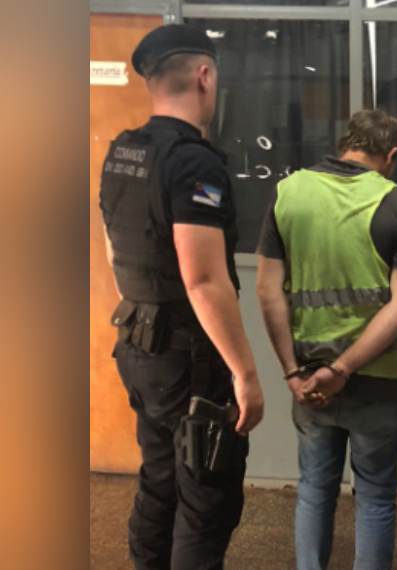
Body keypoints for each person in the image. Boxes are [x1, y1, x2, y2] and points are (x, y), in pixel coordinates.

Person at [100, 25, 265, 570]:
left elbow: (114, 249)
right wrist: (245, 374)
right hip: (187, 360)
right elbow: (204, 281)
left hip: (137, 345)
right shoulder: (194, 162)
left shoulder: (123, 151)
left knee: (160, 479)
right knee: (205, 499)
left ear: (151, 82)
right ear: (205, 76)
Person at [256, 109, 397, 570]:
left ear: (344, 145)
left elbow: (267, 291)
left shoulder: (288, 193)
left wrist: (292, 371)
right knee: (374, 495)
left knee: (315, 488)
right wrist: (343, 369)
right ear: (391, 155)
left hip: (308, 378)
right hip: (378, 379)